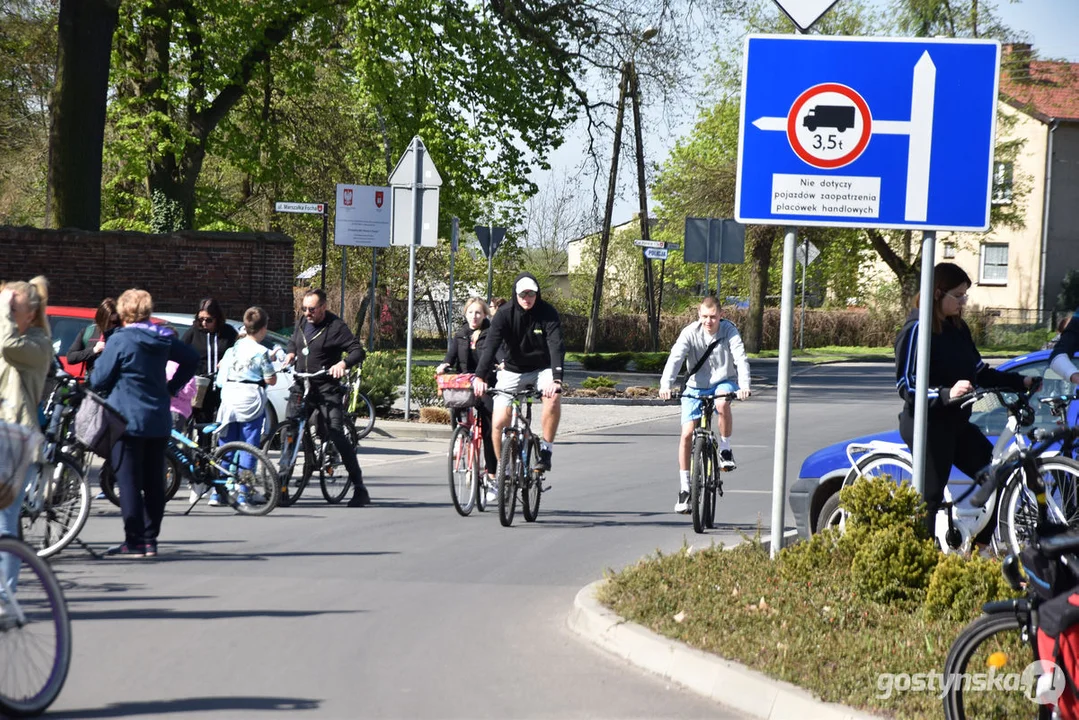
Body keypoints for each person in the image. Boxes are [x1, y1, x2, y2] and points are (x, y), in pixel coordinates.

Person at [895, 262, 1035, 539]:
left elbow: (980, 372)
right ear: (937, 293)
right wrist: (947, 393)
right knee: (929, 498)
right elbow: (907, 386)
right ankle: (918, 561)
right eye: (958, 296)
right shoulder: (916, 330)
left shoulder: (959, 329)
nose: (963, 302)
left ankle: (981, 546)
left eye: (964, 296)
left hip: (957, 425)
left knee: (997, 478)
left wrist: (1021, 382)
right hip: (928, 427)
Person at [90, 289, 198, 558]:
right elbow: (192, 359)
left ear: (124, 311)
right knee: (153, 481)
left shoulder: (120, 340)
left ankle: (134, 540)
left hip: (126, 420)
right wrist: (172, 386)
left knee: (127, 481)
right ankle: (151, 540)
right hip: (158, 419)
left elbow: (99, 379)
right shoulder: (163, 337)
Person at [658, 296, 752, 514]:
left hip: (722, 382)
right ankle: (684, 489)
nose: (708, 321)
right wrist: (666, 385)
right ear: (698, 316)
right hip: (695, 386)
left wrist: (744, 385)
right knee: (686, 434)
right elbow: (675, 358)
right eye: (704, 317)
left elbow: (740, 357)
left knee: (722, 404)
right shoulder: (690, 332)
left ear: (721, 315)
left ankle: (725, 450)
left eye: (713, 317)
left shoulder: (729, 331)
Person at [283, 288, 371, 507]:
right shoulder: (302, 321)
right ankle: (281, 485)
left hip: (326, 388)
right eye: (304, 309)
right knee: (289, 430)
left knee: (335, 433)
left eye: (311, 309)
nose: (307, 313)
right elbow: (294, 341)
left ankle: (359, 488)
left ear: (323, 307)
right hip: (302, 384)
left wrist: (343, 364)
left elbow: (357, 351)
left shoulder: (336, 327)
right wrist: (291, 353)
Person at [473, 273, 564, 473]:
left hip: (542, 369)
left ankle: (546, 450)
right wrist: (479, 376)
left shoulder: (548, 313)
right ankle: (503, 471)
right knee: (498, 423)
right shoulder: (504, 314)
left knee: (554, 397)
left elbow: (556, 345)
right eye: (523, 294)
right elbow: (490, 346)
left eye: (531, 293)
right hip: (513, 371)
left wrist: (556, 378)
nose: (527, 298)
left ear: (537, 293)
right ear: (516, 294)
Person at [0, 277, 53, 585]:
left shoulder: (37, 344)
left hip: (16, 440)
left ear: (30, 314)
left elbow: (9, 345)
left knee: (5, 522)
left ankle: (6, 596)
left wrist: (4, 309)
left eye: (11, 308)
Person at [210, 307, 278, 507]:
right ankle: (244, 491)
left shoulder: (234, 348)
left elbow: (221, 370)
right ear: (263, 329)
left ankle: (218, 490)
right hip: (250, 399)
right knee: (249, 447)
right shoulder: (261, 352)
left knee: (226, 446)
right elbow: (270, 379)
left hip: (229, 397)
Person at [437, 297, 498, 501]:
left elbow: (498, 354)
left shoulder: (491, 334)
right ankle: (459, 435)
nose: (474, 316)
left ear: (485, 315)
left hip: (486, 384)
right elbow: (451, 356)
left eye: (478, 313)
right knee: (455, 401)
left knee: (489, 430)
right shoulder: (461, 334)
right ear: (465, 314)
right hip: (466, 385)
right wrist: (444, 365)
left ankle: (491, 476)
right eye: (471, 312)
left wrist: (503, 364)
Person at [181, 298, 239, 424]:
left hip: (222, 384)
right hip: (200, 385)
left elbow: (238, 351)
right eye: (201, 319)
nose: (204, 323)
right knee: (202, 421)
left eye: (209, 320)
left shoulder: (228, 332)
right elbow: (180, 352)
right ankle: (203, 443)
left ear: (217, 318)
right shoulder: (193, 332)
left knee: (224, 421)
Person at [65, 298, 120, 379]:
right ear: (101, 320)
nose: (111, 325)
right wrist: (94, 350)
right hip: (92, 384)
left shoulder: (121, 334)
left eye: (114, 322)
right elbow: (70, 357)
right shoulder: (88, 332)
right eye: (108, 322)